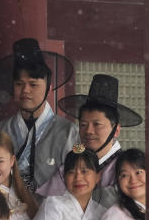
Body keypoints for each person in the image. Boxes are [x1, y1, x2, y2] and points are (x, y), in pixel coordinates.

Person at [37, 73, 142, 207]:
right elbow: (42, 203)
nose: (88, 131)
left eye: (97, 124)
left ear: (116, 130)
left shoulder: (127, 168)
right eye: (83, 125)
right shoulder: (71, 165)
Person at [0, 38, 78, 194]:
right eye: (19, 84)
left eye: (33, 84)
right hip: (5, 215)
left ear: (49, 88)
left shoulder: (69, 133)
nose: (25, 90)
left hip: (53, 215)